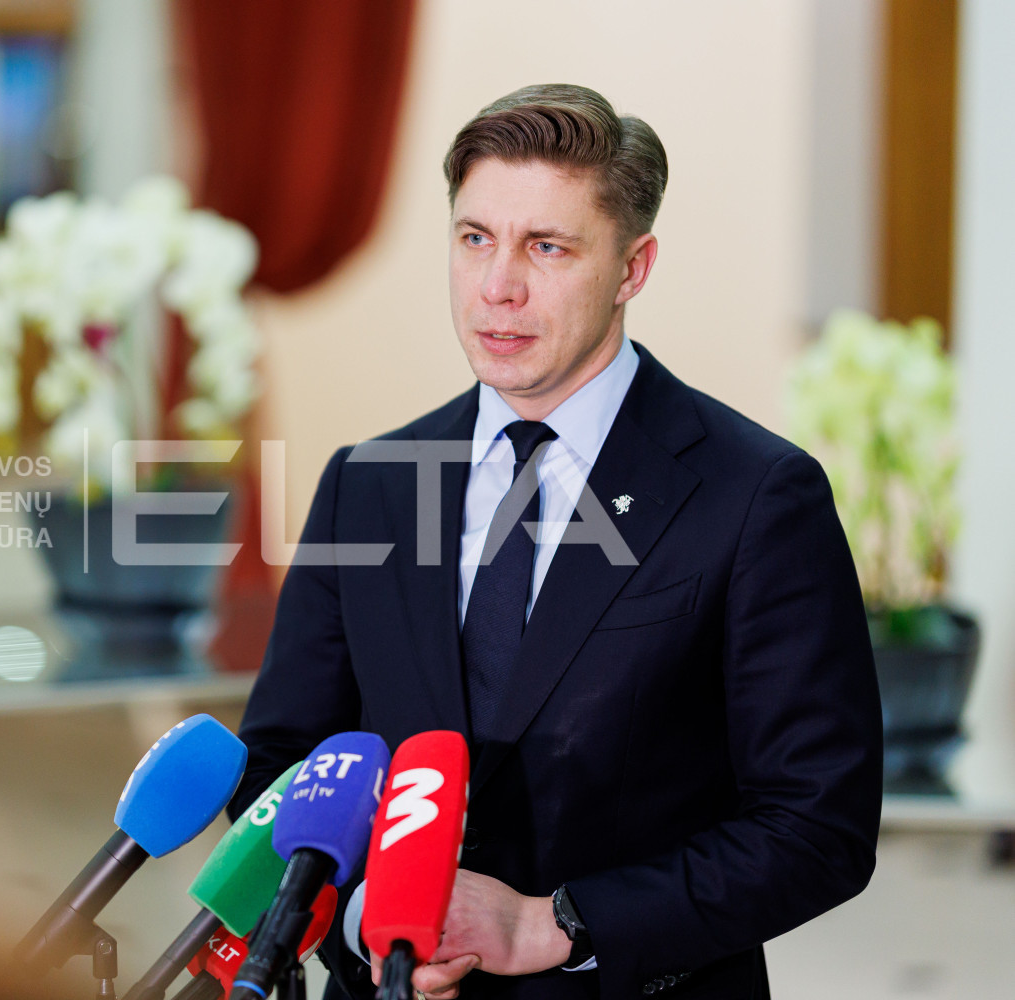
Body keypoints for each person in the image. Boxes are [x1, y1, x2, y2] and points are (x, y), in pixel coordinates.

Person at [227, 84, 882, 1000]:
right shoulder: (367, 484)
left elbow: (818, 827)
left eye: (547, 247)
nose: (498, 286)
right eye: (474, 238)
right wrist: (365, 919)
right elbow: (280, 770)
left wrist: (555, 925)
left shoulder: (759, 495)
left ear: (632, 267)